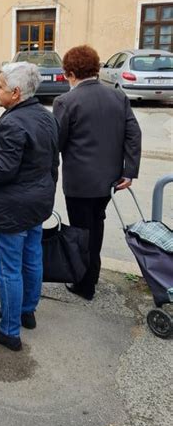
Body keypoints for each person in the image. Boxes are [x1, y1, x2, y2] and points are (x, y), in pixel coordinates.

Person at [0, 63, 59, 352]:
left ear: (16, 93)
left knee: (9, 270)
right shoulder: (45, 115)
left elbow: (0, 171)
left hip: (12, 208)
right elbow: (52, 161)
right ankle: (26, 311)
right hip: (37, 202)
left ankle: (9, 331)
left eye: (0, 86)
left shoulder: (12, 123)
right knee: (31, 258)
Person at [53, 45, 142, 301]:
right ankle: (91, 275)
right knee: (96, 227)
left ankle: (84, 283)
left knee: (82, 232)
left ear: (69, 73)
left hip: (80, 182)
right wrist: (130, 170)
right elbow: (133, 134)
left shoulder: (65, 101)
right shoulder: (117, 96)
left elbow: (56, 141)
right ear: (97, 68)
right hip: (110, 180)